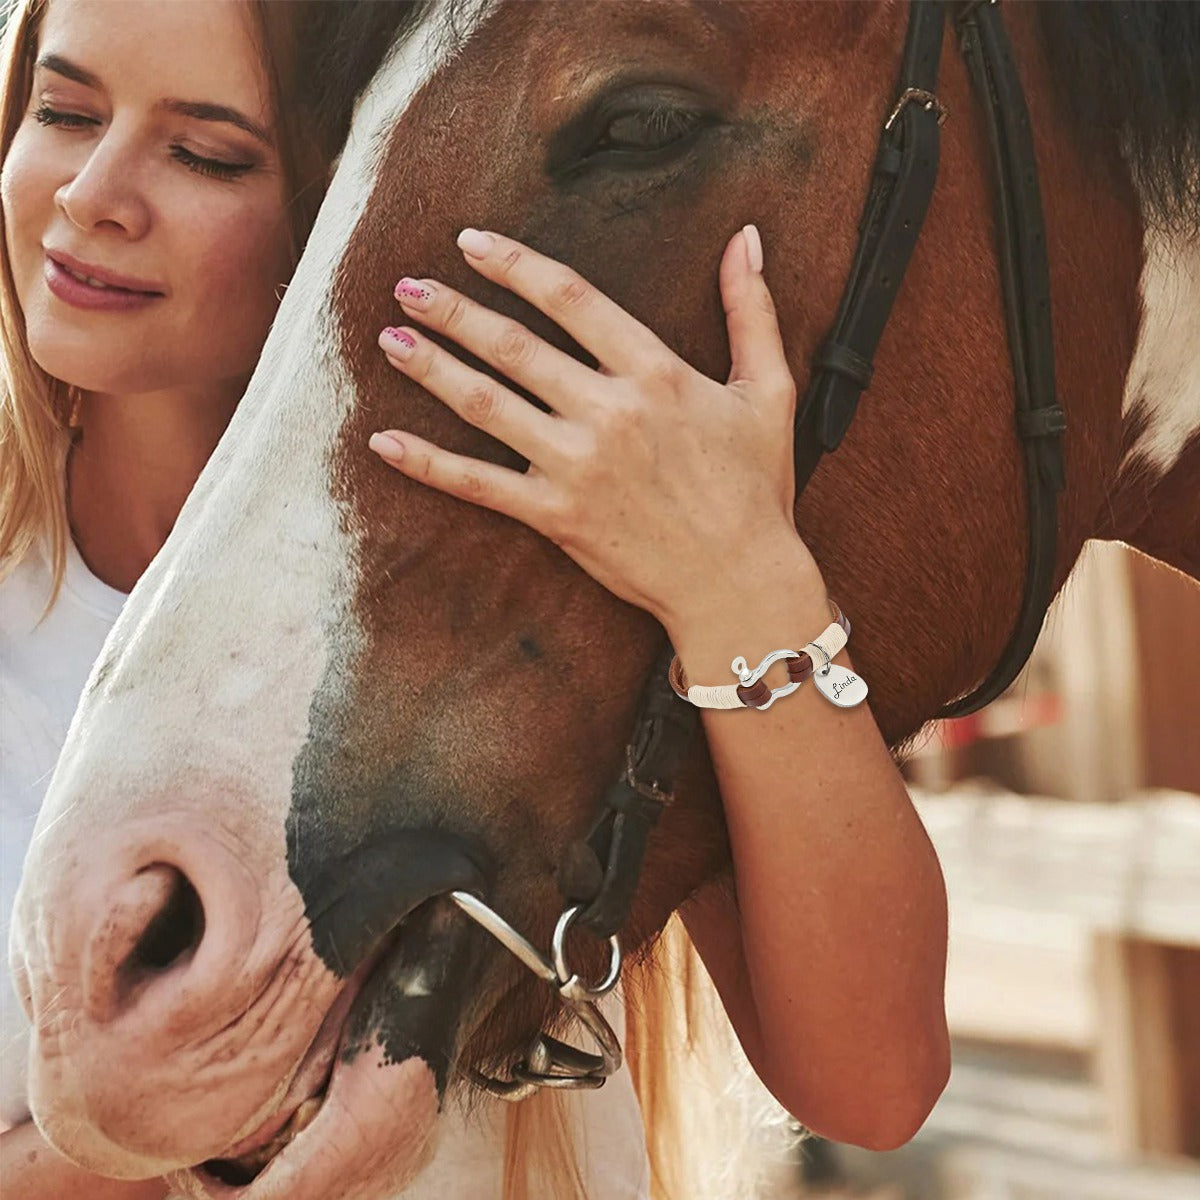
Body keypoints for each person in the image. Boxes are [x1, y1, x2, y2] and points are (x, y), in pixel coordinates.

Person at [0, 0, 950, 1197]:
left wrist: (742, 579)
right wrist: (212, 1115)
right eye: (63, 109)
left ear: (361, 194)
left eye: (205, 153)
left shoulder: (559, 556)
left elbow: (874, 1081)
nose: (91, 193)